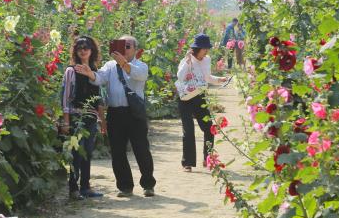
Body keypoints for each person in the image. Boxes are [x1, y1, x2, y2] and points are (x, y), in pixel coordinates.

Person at [74, 35, 156, 197]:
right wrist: (90, 74)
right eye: (120, 45)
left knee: (141, 149)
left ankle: (148, 184)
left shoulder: (140, 65)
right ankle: (125, 187)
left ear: (135, 49)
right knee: (117, 151)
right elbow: (99, 79)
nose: (123, 49)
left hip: (134, 113)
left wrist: (123, 63)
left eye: (127, 46)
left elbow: (139, 76)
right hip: (115, 113)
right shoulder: (110, 66)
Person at [60, 36, 106, 200]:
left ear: (92, 50)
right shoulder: (71, 71)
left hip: (91, 118)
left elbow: (99, 99)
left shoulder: (95, 71)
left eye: (86, 47)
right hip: (75, 117)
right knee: (76, 153)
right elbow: (65, 97)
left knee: (87, 152)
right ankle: (73, 189)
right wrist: (66, 120)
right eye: (80, 47)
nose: (83, 50)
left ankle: (86, 187)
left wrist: (102, 120)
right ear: (76, 51)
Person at [176, 33, 229, 172]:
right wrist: (187, 62)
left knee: (208, 127)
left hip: (199, 96)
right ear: (197, 49)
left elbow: (207, 77)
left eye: (207, 49)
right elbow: (180, 77)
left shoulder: (206, 60)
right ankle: (187, 163)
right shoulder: (187, 60)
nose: (206, 52)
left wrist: (219, 80)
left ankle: (208, 159)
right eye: (204, 49)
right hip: (186, 98)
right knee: (188, 131)